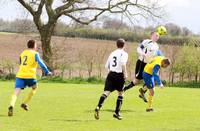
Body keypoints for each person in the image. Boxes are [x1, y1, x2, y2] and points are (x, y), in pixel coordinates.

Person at [8, 40, 52, 116]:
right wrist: (47, 72)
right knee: (35, 88)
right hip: (30, 76)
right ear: (34, 46)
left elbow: (21, 63)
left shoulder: (23, 53)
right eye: (36, 45)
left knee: (16, 92)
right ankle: (24, 103)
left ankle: (11, 105)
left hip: (20, 75)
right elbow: (41, 63)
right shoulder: (35, 54)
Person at [94, 38, 128, 120]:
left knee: (106, 92)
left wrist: (111, 73)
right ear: (124, 45)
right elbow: (123, 64)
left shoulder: (112, 53)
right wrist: (125, 74)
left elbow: (107, 66)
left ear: (116, 45)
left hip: (111, 74)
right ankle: (116, 113)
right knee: (120, 93)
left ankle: (98, 106)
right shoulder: (124, 53)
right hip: (119, 75)